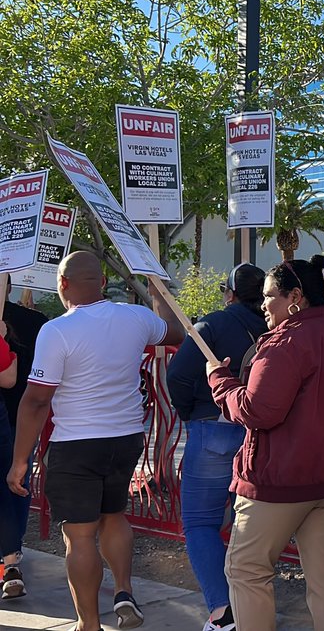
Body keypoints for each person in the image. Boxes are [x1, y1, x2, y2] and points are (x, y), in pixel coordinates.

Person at [6, 251, 185, 631]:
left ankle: (88, 624)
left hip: (76, 444)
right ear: (102, 282)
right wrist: (157, 291)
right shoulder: (135, 318)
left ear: (63, 284)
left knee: (79, 534)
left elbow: (37, 399)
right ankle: (123, 592)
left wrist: (20, 461)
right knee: (114, 516)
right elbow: (176, 333)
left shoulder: (57, 330)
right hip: (125, 438)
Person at [205, 255, 324, 631]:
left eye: (269, 296)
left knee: (247, 570)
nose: (263, 304)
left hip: (279, 482)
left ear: (295, 296)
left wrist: (220, 381)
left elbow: (257, 410)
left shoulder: (287, 341)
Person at [167, 262, 267, 631]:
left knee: (201, 523)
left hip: (213, 429)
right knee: (254, 525)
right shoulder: (278, 326)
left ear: (230, 293)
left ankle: (223, 613)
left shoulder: (211, 325)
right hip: (260, 434)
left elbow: (177, 374)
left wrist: (191, 411)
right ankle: (252, 608)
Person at [0, 285, 47, 599]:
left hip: (15, 417)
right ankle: (11, 557)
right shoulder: (36, 321)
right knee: (14, 487)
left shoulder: (33, 321)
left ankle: (10, 559)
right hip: (22, 415)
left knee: (13, 487)